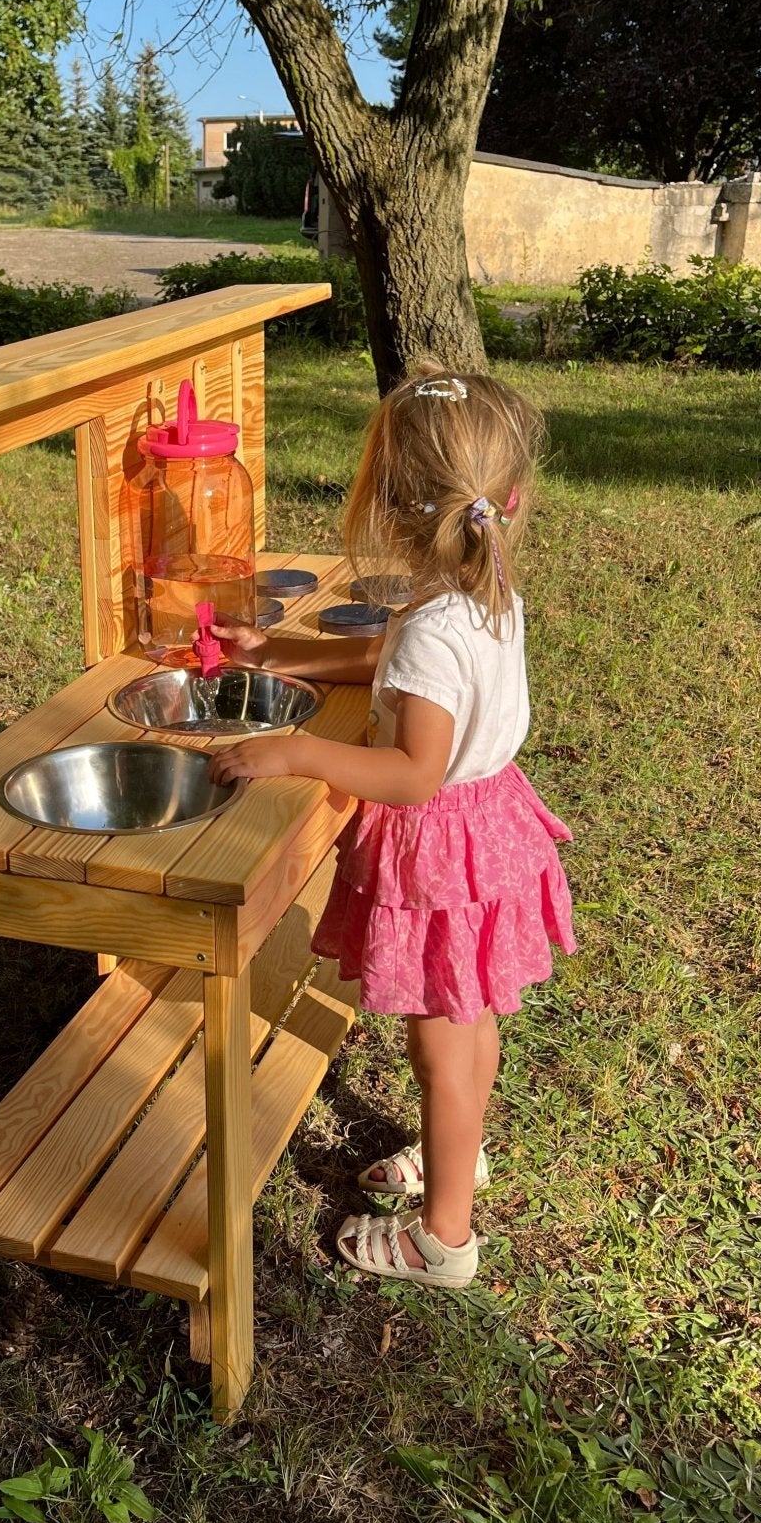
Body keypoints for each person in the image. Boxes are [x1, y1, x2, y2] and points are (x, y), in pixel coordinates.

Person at [208, 368, 576, 1290]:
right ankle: (464, 1152)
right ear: (507, 501)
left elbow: (413, 772)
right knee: (469, 1021)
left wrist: (297, 752)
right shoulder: (481, 591)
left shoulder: (429, 628)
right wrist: (284, 653)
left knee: (440, 1044)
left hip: (442, 845)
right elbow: (391, 658)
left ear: (383, 499)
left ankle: (443, 1237)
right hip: (489, 829)